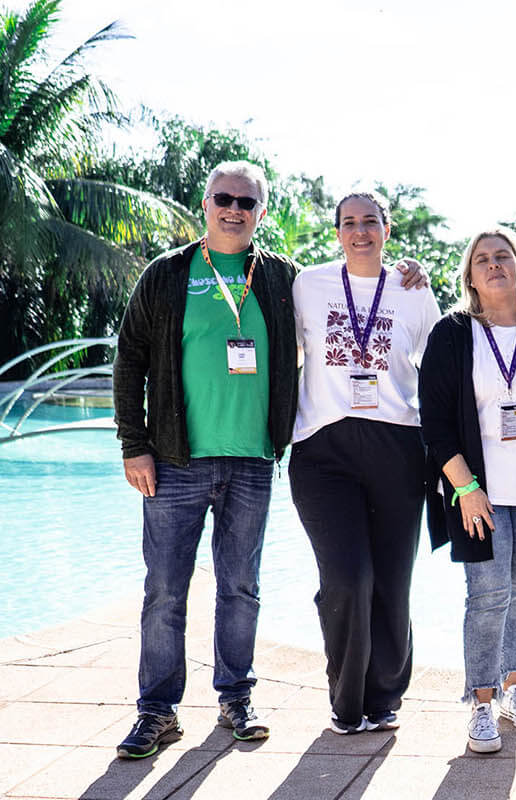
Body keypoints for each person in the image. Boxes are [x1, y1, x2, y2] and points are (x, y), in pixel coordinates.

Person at [111, 161, 300, 758]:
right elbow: (129, 359)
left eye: (247, 202)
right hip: (175, 461)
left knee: (240, 588)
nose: (234, 209)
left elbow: (344, 295)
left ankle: (236, 698)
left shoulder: (282, 277)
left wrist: (404, 275)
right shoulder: (168, 273)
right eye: (224, 198)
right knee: (165, 591)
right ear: (206, 203)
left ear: (261, 211)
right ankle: (157, 711)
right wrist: (134, 444)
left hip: (252, 461)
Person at [287, 190, 440, 734]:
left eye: (370, 221)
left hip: (397, 447)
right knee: (348, 577)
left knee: (392, 582)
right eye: (349, 222)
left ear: (386, 229)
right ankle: (346, 700)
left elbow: (438, 364)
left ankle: (384, 698)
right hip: (322, 449)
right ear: (337, 232)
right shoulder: (308, 284)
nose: (360, 231)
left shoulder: (413, 290)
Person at [420, 228, 516, 754]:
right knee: (487, 596)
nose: (493, 265)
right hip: (478, 490)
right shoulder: (452, 332)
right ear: (470, 275)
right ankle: (481, 702)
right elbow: (435, 419)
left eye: (503, 256)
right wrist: (464, 487)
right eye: (482, 259)